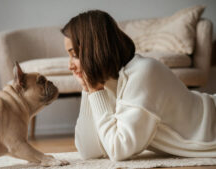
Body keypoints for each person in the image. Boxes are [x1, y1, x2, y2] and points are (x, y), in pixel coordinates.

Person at [61, 9, 216, 161]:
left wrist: (94, 90)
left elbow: (119, 150)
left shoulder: (143, 72)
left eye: (74, 55)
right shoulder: (106, 82)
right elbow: (89, 151)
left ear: (94, 50)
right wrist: (89, 90)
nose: (70, 66)